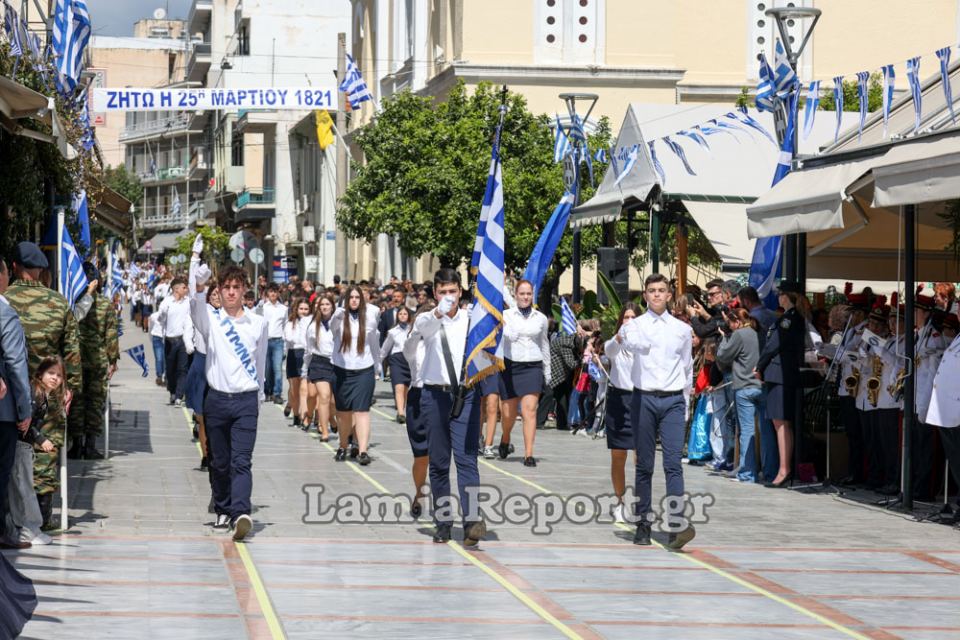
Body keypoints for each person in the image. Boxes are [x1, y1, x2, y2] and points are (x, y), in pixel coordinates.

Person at [189, 235, 268, 541]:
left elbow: (260, 363)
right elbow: (195, 302)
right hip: (217, 400)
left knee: (241, 461)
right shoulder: (212, 320)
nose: (232, 292)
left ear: (244, 290)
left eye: (237, 288)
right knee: (219, 462)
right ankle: (222, 507)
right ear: (219, 291)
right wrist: (196, 260)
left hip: (247, 400)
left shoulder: (257, 323)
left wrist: (260, 395)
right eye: (226, 288)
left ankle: (241, 513)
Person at [4, 242, 81, 531]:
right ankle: (43, 514)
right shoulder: (58, 303)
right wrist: (69, 387)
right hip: (49, 387)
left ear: (14, 268)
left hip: (11, 388)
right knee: (46, 448)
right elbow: (72, 352)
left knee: (10, 448)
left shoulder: (4, 300)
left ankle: (13, 513)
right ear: (40, 271)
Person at [619, 273, 695, 550]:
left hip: (673, 399)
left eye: (662, 290)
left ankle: (676, 524)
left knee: (673, 464)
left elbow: (687, 368)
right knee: (644, 465)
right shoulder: (635, 326)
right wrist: (636, 338)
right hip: (644, 398)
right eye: (652, 290)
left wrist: (685, 403)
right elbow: (630, 344)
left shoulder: (682, 330)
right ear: (645, 295)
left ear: (669, 294)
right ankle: (643, 522)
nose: (657, 295)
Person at [411, 268, 486, 545]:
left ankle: (472, 521)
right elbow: (424, 329)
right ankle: (443, 521)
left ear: (460, 291)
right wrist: (438, 312)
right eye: (442, 292)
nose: (448, 296)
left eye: (452, 291)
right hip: (434, 395)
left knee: (467, 460)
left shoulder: (470, 319)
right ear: (434, 293)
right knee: (439, 463)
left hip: (465, 394)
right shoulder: (427, 320)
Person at [756, 281, 806, 488]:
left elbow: (773, 345)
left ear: (788, 296)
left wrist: (760, 366)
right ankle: (783, 468)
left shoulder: (789, 319)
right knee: (780, 422)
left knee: (781, 423)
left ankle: (784, 469)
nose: (778, 297)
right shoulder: (788, 318)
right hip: (778, 373)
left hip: (780, 374)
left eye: (781, 294)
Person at [67, 262, 119, 460]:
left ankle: (77, 445)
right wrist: (113, 360)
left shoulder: (73, 302)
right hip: (97, 360)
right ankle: (90, 445)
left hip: (76, 358)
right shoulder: (105, 304)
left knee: (77, 401)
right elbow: (111, 335)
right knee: (95, 402)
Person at [7, 357, 61, 546]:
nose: (55, 378)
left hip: (24, 446)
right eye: (51, 373)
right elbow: (25, 422)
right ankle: (28, 529)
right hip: (21, 445)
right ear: (40, 374)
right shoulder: (35, 393)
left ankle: (28, 529)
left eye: (59, 375)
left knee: (22, 487)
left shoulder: (43, 395)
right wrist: (41, 439)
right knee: (23, 488)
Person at [497, 280, 550, 467]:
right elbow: (505, 336)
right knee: (508, 414)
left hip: (532, 366)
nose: (526, 297)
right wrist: (504, 328)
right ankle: (505, 438)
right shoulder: (506, 315)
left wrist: (547, 371)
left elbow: (544, 344)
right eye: (522, 293)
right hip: (511, 366)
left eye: (529, 294)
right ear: (516, 295)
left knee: (529, 411)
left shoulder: (541, 318)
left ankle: (529, 454)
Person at [0, 259, 33, 549]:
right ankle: (3, 531)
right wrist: (25, 409)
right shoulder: (5, 313)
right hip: (3, 411)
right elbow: (15, 363)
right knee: (2, 473)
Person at [330, 285, 381, 465]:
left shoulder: (370, 319)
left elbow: (374, 344)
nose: (353, 300)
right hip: (341, 370)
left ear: (362, 300)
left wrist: (378, 365)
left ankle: (363, 450)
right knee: (343, 413)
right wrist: (339, 311)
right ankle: (343, 445)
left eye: (357, 297)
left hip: (364, 368)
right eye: (350, 297)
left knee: (362, 410)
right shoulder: (339, 317)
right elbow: (332, 326)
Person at [716, 308, 763, 482]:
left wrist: (724, 338)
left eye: (729, 323)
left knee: (746, 431)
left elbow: (722, 355)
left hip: (744, 386)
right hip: (761, 385)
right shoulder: (758, 332)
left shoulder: (740, 334)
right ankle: (769, 471)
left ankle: (747, 473)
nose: (729, 326)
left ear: (736, 321)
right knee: (765, 432)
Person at [602, 302, 639, 521]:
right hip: (618, 398)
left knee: (641, 456)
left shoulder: (644, 343)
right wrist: (619, 336)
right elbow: (609, 351)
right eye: (626, 317)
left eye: (634, 317)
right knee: (618, 455)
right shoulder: (615, 343)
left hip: (640, 398)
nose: (629, 321)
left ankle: (639, 500)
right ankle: (620, 501)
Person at [402, 302, 434, 518]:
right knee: (421, 456)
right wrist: (417, 330)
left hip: (442, 397)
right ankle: (419, 492)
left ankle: (441, 500)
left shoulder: (446, 341)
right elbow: (408, 352)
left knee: (439, 455)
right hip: (418, 396)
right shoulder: (414, 343)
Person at [185, 285, 221, 470]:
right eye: (213, 294)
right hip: (201, 362)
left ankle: (217, 453)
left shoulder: (227, 316)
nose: (216, 297)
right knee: (202, 417)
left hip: (219, 365)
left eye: (218, 293)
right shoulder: (202, 312)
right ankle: (206, 455)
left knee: (216, 417)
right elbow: (193, 301)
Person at [302, 295, 337, 441]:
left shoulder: (340, 323)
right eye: (322, 304)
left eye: (327, 304)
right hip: (319, 362)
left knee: (334, 402)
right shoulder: (312, 326)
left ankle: (332, 419)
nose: (324, 307)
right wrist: (305, 369)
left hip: (336, 363)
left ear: (332, 306)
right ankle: (324, 432)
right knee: (324, 396)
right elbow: (308, 349)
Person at [157, 277, 191, 406]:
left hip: (182, 339)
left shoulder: (188, 302)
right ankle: (172, 391)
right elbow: (160, 319)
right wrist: (164, 312)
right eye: (184, 287)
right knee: (170, 369)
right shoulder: (167, 302)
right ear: (176, 289)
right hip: (170, 341)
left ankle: (178, 395)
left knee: (182, 369)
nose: (186, 289)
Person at [381, 305, 412, 423]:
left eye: (405, 314)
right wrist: (378, 363)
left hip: (410, 360)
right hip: (397, 359)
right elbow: (385, 348)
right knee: (399, 386)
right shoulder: (393, 332)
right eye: (400, 314)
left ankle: (406, 409)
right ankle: (400, 413)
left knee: (407, 388)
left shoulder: (413, 329)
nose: (403, 316)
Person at [258, 283, 288, 405]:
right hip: (265, 340)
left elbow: (285, 326)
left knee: (277, 368)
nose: (273, 294)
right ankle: (267, 391)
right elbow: (258, 322)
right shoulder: (263, 307)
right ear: (267, 294)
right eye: (271, 292)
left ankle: (277, 393)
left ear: (278, 293)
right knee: (267, 369)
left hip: (278, 341)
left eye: (275, 292)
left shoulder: (283, 309)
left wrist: (285, 345)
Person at [283, 298, 311, 428]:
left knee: (304, 388)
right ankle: (295, 414)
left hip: (306, 354)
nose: (303, 311)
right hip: (294, 354)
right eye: (301, 309)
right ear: (296, 309)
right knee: (294, 389)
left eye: (306, 309)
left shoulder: (312, 322)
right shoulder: (291, 322)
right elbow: (288, 337)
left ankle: (303, 415)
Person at [148, 307, 166, 387]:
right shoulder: (153, 316)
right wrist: (151, 338)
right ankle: (159, 376)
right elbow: (150, 327)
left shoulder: (168, 316)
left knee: (165, 358)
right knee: (159, 358)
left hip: (166, 338)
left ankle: (166, 377)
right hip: (156, 337)